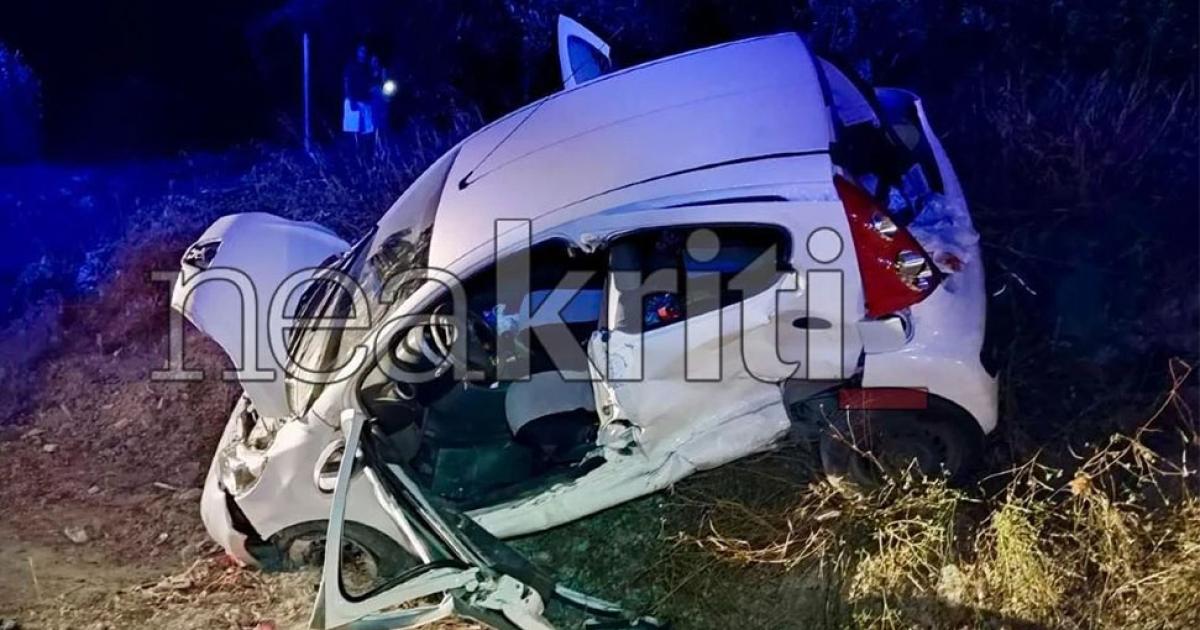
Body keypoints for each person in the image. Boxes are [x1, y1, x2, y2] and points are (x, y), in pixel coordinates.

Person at [342, 43, 374, 141]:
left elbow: (371, 83)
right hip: (353, 100)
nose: (363, 53)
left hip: (366, 101)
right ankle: (354, 148)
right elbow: (347, 82)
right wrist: (350, 99)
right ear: (357, 52)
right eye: (361, 51)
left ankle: (365, 148)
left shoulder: (368, 67)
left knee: (367, 130)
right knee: (353, 129)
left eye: (365, 51)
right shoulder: (351, 66)